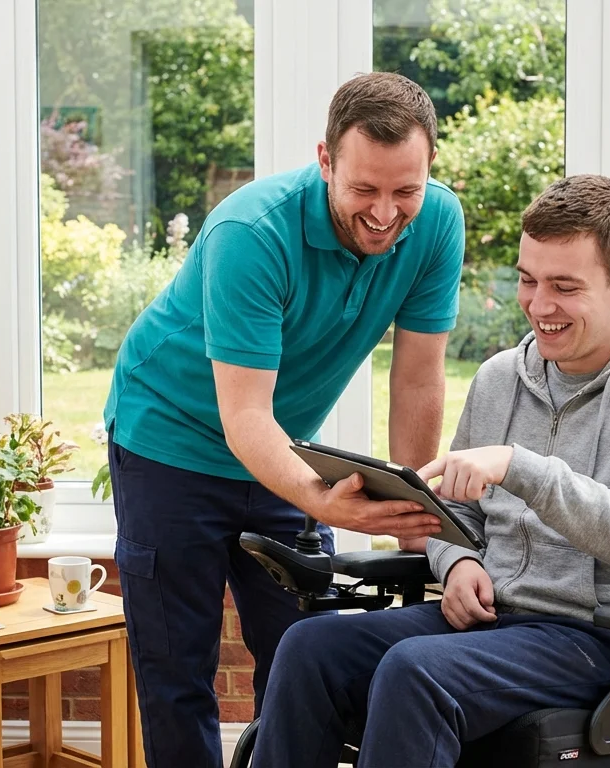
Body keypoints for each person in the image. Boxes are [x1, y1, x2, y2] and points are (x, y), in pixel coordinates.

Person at [251, 174, 610, 768]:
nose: (539, 305)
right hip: (495, 621)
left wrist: (520, 467)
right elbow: (453, 514)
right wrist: (459, 564)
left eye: (565, 286)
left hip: (604, 637)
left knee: (416, 671)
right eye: (529, 280)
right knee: (310, 647)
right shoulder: (502, 378)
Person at [101, 71, 467, 767]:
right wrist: (330, 504)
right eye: (364, 189)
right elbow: (243, 416)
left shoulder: (438, 223)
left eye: (405, 190)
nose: (385, 213)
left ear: (430, 169)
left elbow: (418, 377)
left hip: (281, 449)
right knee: (178, 669)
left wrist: (415, 518)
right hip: (169, 441)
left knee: (307, 655)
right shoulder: (253, 231)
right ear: (325, 160)